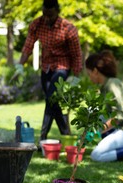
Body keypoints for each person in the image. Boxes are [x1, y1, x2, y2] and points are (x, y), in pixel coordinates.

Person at [15, 0, 83, 140]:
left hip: (62, 67)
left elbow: (76, 54)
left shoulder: (68, 29)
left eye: (50, 16)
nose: (47, 19)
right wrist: (20, 66)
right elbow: (28, 46)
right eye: (44, 15)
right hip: (46, 67)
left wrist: (76, 76)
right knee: (51, 101)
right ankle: (65, 134)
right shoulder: (37, 24)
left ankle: (43, 137)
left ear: (57, 11)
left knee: (51, 97)